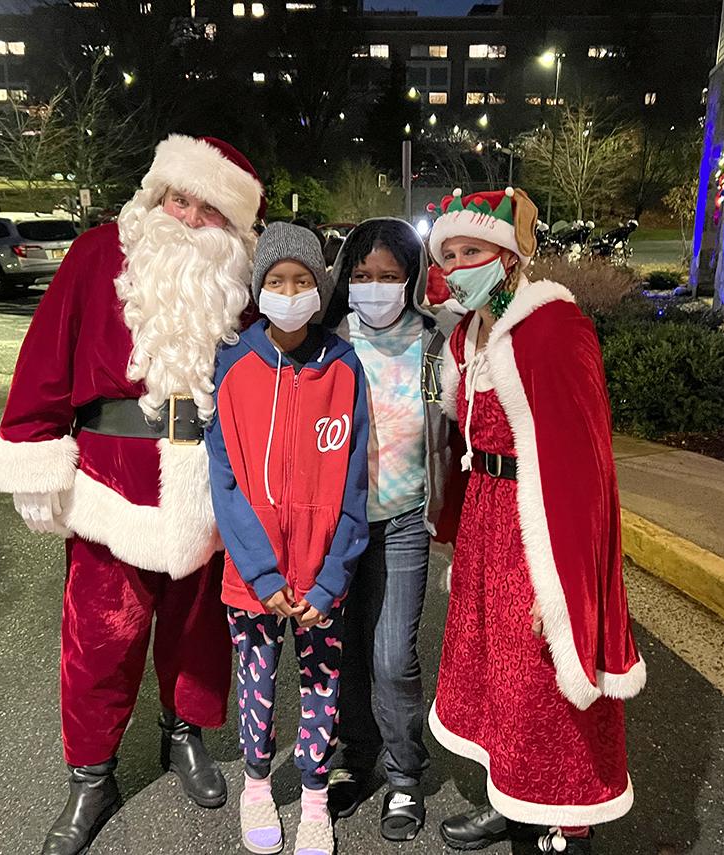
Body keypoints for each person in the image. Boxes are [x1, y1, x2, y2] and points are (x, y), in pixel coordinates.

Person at [0, 135, 267, 855]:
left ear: (231, 225)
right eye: (178, 198)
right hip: (112, 480)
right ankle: (91, 775)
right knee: (98, 640)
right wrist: (36, 456)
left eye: (207, 208)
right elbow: (45, 357)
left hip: (209, 482)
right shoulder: (96, 254)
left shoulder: (243, 277)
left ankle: (184, 733)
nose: (187, 216)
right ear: (155, 195)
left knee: (198, 634)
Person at [426, 188, 646, 853]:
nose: (460, 264)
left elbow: (585, 461)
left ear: (509, 253)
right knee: (497, 670)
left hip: (540, 527)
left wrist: (569, 576)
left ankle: (569, 820)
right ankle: (512, 794)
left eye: (473, 252)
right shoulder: (468, 335)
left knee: (547, 674)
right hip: (489, 524)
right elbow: (462, 441)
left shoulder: (554, 325)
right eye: (452, 254)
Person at [206, 222, 369, 855]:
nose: (291, 291)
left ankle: (315, 798)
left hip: (324, 579)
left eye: (303, 280)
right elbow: (225, 483)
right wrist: (265, 577)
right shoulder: (234, 366)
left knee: (321, 685)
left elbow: (355, 484)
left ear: (321, 288)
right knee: (256, 681)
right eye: (277, 281)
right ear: (260, 288)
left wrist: (331, 579)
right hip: (255, 579)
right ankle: (255, 786)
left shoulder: (343, 367)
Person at [319, 218, 456, 840]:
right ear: (346, 278)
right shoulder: (328, 341)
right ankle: (354, 753)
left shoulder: (435, 344)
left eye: (390, 277)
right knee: (343, 649)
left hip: (403, 518)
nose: (374, 287)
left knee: (393, 654)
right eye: (363, 276)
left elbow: (454, 420)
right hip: (338, 523)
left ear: (412, 279)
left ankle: (405, 774)